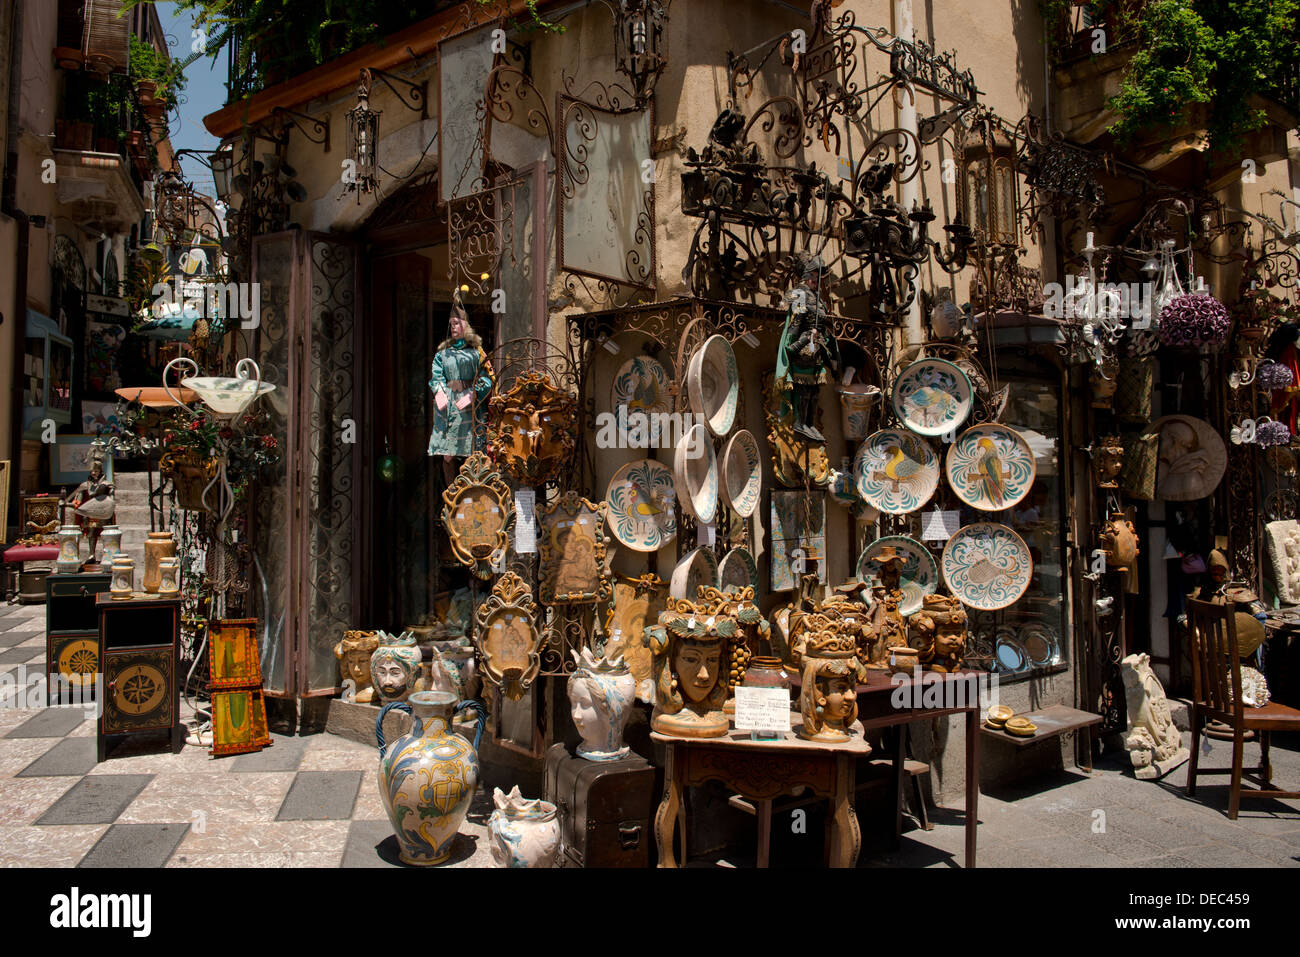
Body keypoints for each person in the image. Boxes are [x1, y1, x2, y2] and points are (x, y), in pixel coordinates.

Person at [427, 289, 495, 478]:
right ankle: (452, 493)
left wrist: (473, 394)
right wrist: (440, 394)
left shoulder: (476, 353)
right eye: (451, 324)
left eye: (456, 323)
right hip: (448, 408)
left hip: (470, 408)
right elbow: (436, 378)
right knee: (448, 455)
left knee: (471, 452)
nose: (453, 327)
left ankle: (471, 492)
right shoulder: (442, 354)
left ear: (465, 325)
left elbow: (487, 378)